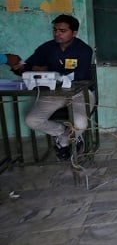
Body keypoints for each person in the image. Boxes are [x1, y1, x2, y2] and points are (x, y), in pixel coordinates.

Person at [11, 14, 94, 160]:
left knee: (80, 124)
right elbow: (29, 67)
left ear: (74, 33)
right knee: (31, 120)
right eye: (55, 30)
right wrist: (18, 67)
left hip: (80, 93)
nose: (57, 34)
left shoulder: (84, 50)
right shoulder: (47, 48)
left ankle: (64, 141)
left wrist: (47, 72)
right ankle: (63, 133)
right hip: (52, 93)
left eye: (62, 31)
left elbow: (79, 78)